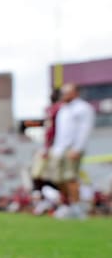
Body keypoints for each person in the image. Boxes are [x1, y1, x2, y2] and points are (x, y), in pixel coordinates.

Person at [49, 83, 95, 219]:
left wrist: (77, 148)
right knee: (57, 179)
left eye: (67, 92)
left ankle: (77, 209)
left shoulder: (83, 108)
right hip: (59, 148)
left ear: (75, 93)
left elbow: (85, 130)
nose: (64, 95)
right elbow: (59, 131)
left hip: (72, 148)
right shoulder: (63, 109)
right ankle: (69, 204)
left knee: (70, 178)